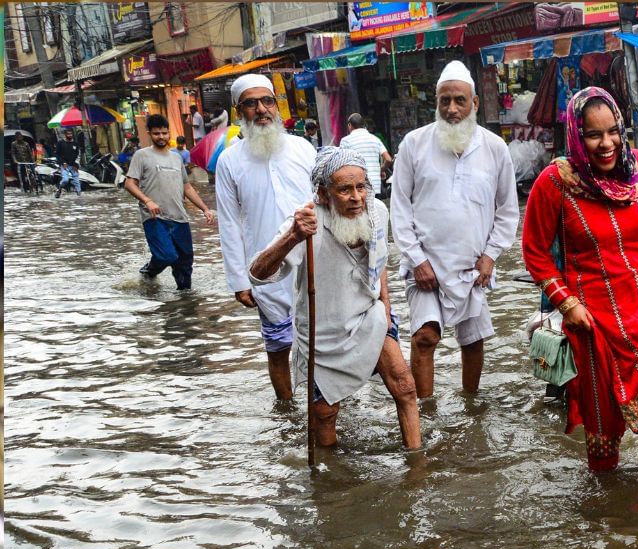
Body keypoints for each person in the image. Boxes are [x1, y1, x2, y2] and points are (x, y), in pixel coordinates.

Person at [521, 87, 638, 473]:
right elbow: (535, 253)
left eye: (613, 131)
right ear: (577, 136)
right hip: (594, 322)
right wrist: (568, 304)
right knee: (603, 423)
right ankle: (608, 512)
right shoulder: (555, 183)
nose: (606, 143)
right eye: (593, 134)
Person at [248, 147, 421, 450]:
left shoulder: (377, 211)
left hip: (369, 316)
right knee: (325, 412)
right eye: (344, 189)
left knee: (405, 386)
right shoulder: (305, 223)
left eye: (361, 187)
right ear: (323, 193)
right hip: (323, 332)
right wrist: (293, 237)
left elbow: (378, 261)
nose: (356, 197)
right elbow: (258, 274)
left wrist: (386, 309)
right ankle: (330, 480)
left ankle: (416, 460)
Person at [390, 60, 518, 397]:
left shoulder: (495, 148)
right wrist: (416, 259)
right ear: (436, 103)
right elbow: (399, 208)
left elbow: (507, 211)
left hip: (473, 267)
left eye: (459, 100)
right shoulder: (413, 144)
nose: (451, 109)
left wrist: (491, 257)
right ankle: (425, 417)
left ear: (474, 103)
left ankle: (471, 406)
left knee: (473, 341)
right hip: (425, 266)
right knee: (425, 337)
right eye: (444, 100)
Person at [215, 73, 318, 401]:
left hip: (314, 263)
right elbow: (229, 223)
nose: (261, 109)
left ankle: (327, 409)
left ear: (276, 105)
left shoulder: (303, 149)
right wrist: (238, 281)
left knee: (323, 343)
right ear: (238, 111)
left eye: (267, 101)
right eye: (250, 103)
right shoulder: (229, 161)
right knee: (278, 346)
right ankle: (288, 413)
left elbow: (327, 204)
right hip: (266, 269)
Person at [123, 114, 216, 290]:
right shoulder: (141, 155)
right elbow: (129, 183)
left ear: (169, 133)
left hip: (180, 217)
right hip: (155, 218)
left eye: (164, 133)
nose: (161, 137)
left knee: (185, 264)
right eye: (157, 133)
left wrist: (205, 209)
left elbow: (187, 187)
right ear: (149, 133)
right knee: (166, 256)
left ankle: (185, 303)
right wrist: (147, 200)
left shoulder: (176, 158)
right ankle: (148, 272)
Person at [339, 113, 393, 197]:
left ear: (349, 125)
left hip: (358, 186)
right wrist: (381, 170)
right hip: (375, 185)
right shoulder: (375, 139)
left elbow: (342, 164)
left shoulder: (346, 141)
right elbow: (388, 159)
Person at [54, 128, 82, 198]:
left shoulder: (75, 144)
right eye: (68, 134)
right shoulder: (60, 143)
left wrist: (76, 164)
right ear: (65, 135)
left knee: (77, 181)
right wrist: (63, 163)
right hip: (64, 166)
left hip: (73, 165)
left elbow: (78, 155)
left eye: (71, 134)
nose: (70, 135)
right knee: (65, 179)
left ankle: (79, 195)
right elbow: (57, 154)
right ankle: (59, 189)